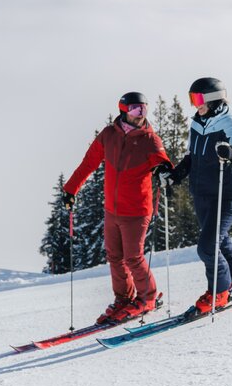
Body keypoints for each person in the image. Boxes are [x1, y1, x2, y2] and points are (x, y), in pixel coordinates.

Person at [63, 91, 172, 324]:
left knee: (133, 256)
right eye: (135, 109)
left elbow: (163, 163)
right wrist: (71, 190)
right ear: (123, 110)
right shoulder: (108, 135)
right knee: (115, 257)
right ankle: (123, 298)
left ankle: (148, 297)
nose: (140, 114)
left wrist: (163, 170)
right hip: (112, 209)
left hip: (137, 210)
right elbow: (89, 163)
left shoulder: (150, 139)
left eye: (144, 109)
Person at [168, 76, 232, 315]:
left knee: (207, 246)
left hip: (225, 195)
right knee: (220, 241)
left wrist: (231, 151)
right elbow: (191, 157)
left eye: (199, 98)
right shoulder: (197, 123)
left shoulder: (229, 121)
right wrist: (176, 175)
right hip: (202, 194)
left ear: (214, 99)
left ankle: (220, 292)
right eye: (192, 99)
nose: (195, 104)